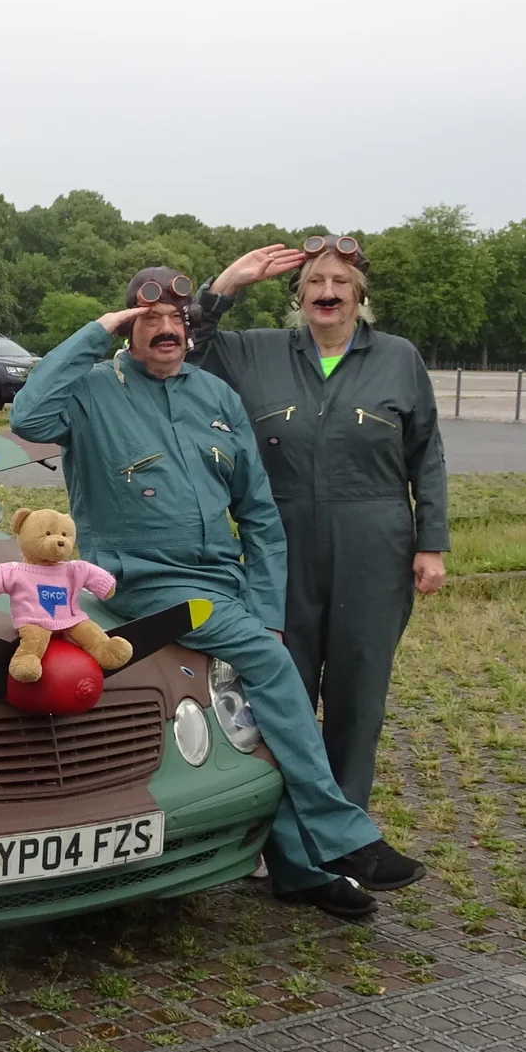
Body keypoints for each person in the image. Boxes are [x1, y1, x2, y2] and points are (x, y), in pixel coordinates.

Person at [9, 267, 424, 919]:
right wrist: (99, 331)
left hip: (222, 582)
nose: (166, 330)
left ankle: (298, 866)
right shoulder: (93, 391)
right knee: (270, 665)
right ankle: (343, 837)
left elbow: (259, 513)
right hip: (144, 582)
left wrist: (268, 608)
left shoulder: (216, 397)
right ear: (127, 329)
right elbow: (27, 415)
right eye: (148, 320)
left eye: (176, 320)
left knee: (268, 692)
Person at [189, 237, 448, 809]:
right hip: (280, 545)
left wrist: (431, 543)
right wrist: (227, 285)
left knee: (359, 691)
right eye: (314, 282)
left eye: (340, 283)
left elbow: (426, 452)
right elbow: (187, 344)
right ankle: (284, 823)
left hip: (374, 548)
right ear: (298, 296)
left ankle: (345, 822)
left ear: (360, 296)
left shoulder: (398, 358)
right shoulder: (258, 351)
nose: (327, 293)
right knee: (282, 687)